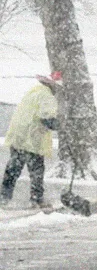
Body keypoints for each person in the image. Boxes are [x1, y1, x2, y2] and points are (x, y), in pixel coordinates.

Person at [2, 72, 61, 208]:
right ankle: (37, 199)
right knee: (36, 170)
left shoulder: (34, 91)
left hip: (19, 135)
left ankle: (4, 197)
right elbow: (47, 119)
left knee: (14, 168)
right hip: (32, 138)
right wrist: (62, 126)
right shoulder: (47, 96)